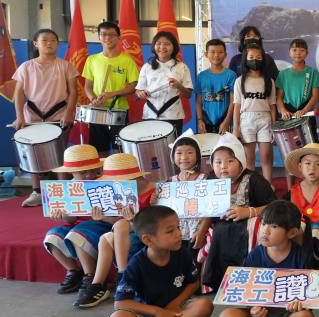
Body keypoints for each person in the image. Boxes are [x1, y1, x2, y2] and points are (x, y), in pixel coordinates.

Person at [107, 205, 220, 317]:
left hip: (175, 312)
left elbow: (193, 283)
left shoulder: (182, 253)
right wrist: (158, 312)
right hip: (146, 315)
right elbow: (120, 304)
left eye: (178, 227)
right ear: (148, 239)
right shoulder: (136, 264)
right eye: (170, 231)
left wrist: (174, 305)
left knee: (205, 305)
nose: (179, 234)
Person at [217, 201, 318, 317]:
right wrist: (253, 309)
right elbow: (247, 290)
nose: (265, 230)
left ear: (291, 233)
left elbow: (309, 293)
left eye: (274, 227)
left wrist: (300, 303)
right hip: (260, 316)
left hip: (287, 314)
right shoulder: (255, 255)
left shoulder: (302, 256)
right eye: (263, 223)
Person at [73, 153, 156, 309]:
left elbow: (156, 219)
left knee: (120, 225)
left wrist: (133, 218)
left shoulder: (152, 189)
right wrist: (102, 217)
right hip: (122, 230)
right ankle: (97, 284)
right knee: (106, 239)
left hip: (143, 227)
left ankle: (123, 275)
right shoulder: (110, 192)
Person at [12, 28, 79, 207]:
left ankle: (64, 192)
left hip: (58, 116)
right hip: (32, 116)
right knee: (33, 155)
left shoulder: (65, 65)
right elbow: (18, 94)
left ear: (58, 44)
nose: (49, 43)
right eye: (44, 40)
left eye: (53, 40)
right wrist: (20, 116)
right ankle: (37, 192)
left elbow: (73, 92)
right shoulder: (26, 67)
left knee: (59, 154)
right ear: (36, 44)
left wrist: (68, 113)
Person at [202, 133, 276, 291]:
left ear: (241, 162)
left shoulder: (254, 180)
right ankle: (221, 283)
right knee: (218, 232)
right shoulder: (210, 182)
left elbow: (273, 206)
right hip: (221, 227)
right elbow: (206, 210)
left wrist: (249, 212)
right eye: (218, 162)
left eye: (230, 161)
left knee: (252, 228)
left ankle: (250, 279)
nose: (223, 166)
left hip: (248, 225)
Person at [42, 144, 110, 294]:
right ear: (71, 172)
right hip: (78, 225)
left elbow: (115, 216)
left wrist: (103, 216)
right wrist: (62, 215)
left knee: (77, 234)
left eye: (93, 170)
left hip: (100, 225)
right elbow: (71, 220)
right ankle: (73, 270)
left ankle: (90, 275)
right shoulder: (66, 189)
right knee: (52, 236)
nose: (89, 175)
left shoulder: (105, 184)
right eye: (83, 172)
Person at [81, 21, 139, 155]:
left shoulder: (127, 60)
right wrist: (93, 99)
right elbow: (88, 86)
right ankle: (102, 175)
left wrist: (112, 94)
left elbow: (133, 86)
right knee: (99, 151)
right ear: (99, 37)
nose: (107, 38)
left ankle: (119, 175)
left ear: (119, 38)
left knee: (120, 151)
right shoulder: (92, 60)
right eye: (103, 34)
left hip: (119, 111)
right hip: (98, 111)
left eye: (112, 35)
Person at [232, 42, 277, 184]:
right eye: (251, 57)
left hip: (265, 119)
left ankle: (268, 187)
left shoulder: (269, 81)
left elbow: (273, 105)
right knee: (249, 160)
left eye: (258, 57)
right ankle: (251, 189)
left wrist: (274, 127)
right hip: (246, 119)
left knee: (266, 158)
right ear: (245, 59)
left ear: (263, 59)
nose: (255, 60)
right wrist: (235, 129)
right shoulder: (240, 81)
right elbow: (237, 106)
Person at [285, 143, 319, 257]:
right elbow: (293, 218)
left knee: (317, 231)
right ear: (300, 167)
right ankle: (300, 263)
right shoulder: (294, 190)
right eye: (307, 163)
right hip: (301, 230)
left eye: (318, 164)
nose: (312, 168)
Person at [135, 31, 193, 135]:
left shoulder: (182, 67)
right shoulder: (147, 66)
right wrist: (141, 93)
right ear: (154, 46)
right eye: (159, 43)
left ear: (174, 47)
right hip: (150, 115)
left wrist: (178, 86)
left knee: (172, 148)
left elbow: (188, 94)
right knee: (150, 148)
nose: (162, 47)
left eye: (167, 44)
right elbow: (138, 91)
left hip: (173, 115)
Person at [169, 130, 212, 254]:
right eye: (179, 153)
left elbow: (211, 209)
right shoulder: (169, 182)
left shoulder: (205, 179)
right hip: (175, 234)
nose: (184, 157)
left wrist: (202, 231)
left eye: (189, 152)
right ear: (173, 157)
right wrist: (156, 201)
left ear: (198, 156)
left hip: (197, 231)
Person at [197, 38, 237, 134]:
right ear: (206, 54)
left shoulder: (231, 75)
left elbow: (233, 101)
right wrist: (200, 120)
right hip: (206, 122)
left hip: (225, 121)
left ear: (225, 54)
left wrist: (226, 121)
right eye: (213, 52)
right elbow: (198, 101)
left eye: (220, 52)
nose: (216, 55)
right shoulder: (201, 76)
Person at [276, 38, 319, 120]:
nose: (298, 53)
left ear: (307, 53)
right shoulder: (283, 74)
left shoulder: (313, 72)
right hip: (288, 115)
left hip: (307, 113)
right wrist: (283, 111)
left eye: (302, 50)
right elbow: (279, 97)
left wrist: (304, 110)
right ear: (289, 53)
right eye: (294, 50)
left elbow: (315, 96)